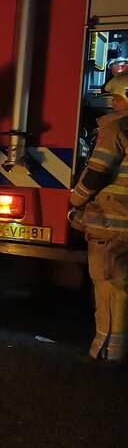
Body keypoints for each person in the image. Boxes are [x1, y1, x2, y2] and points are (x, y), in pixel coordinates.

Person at [69, 74, 128, 367]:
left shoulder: (115, 127)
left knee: (106, 287)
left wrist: (76, 200)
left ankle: (105, 350)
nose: (112, 104)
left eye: (116, 98)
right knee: (123, 287)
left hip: (111, 225)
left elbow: (98, 172)